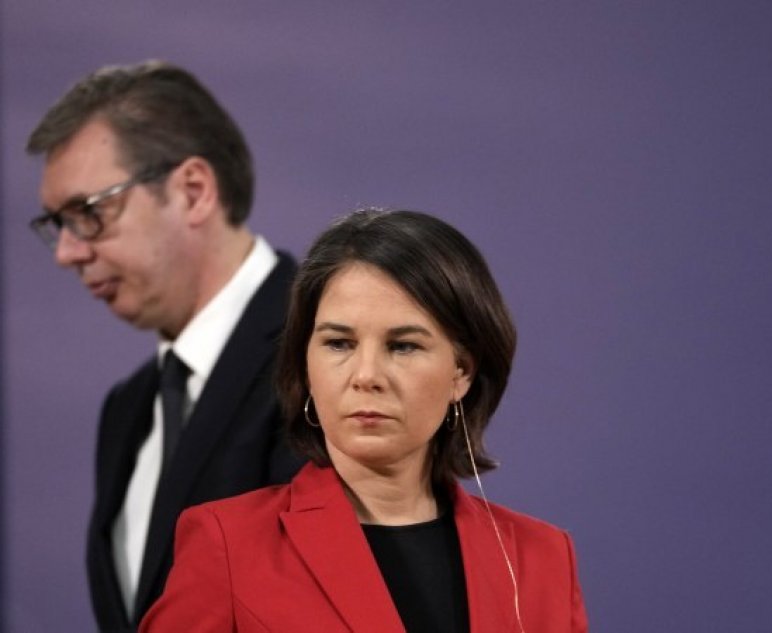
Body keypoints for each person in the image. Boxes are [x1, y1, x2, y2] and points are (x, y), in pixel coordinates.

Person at [139, 208, 589, 632]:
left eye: (403, 346)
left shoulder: (543, 557)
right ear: (306, 365)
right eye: (339, 343)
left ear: (462, 373)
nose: (366, 375)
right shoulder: (227, 544)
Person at [26, 60, 304, 632]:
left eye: (88, 214)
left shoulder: (326, 356)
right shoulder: (127, 410)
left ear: (193, 192)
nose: (67, 253)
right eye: (58, 225)